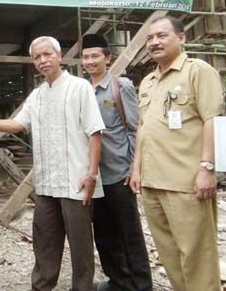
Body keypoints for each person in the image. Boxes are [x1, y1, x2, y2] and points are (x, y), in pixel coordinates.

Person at [0, 36, 105, 291]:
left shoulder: (80, 87)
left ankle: (83, 288)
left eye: (47, 54)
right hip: (47, 182)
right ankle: (41, 287)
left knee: (80, 245)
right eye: (37, 57)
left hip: (76, 181)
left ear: (59, 56)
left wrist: (92, 175)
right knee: (44, 240)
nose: (42, 60)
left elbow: (95, 133)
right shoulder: (37, 95)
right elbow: (18, 124)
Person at [129, 16, 224, 291]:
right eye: (150, 38)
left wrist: (207, 168)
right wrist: (136, 169)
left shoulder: (198, 71)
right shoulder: (148, 81)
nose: (154, 42)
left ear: (181, 38)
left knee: (197, 257)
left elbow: (212, 120)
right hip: (152, 182)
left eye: (161, 35)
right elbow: (143, 127)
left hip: (186, 184)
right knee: (170, 256)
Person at [80, 34, 152, 291]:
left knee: (129, 234)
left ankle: (142, 285)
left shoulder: (120, 86)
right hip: (95, 178)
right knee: (104, 234)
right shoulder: (82, 90)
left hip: (119, 173)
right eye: (86, 57)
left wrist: (134, 169)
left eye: (95, 56)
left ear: (107, 58)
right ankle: (118, 282)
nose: (90, 61)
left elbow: (134, 128)